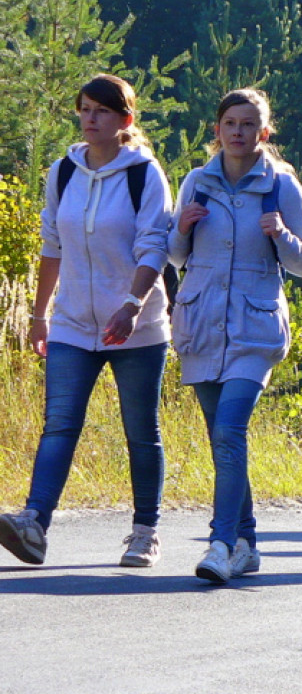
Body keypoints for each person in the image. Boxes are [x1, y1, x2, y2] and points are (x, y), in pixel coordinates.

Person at [0, 74, 172, 568]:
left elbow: (154, 246)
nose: (90, 119)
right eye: (85, 109)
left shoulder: (144, 174)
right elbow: (52, 245)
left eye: (102, 111)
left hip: (136, 326)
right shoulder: (63, 172)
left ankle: (145, 532)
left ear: (125, 120)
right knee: (59, 425)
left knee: (140, 431)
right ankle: (34, 524)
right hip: (74, 324)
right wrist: (40, 315)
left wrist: (132, 304)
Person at [169, 88, 302, 584]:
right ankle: (247, 544)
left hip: (254, 331)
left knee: (230, 432)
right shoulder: (196, 182)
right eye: (230, 123)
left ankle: (220, 543)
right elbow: (175, 255)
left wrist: (281, 234)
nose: (238, 131)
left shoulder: (281, 186)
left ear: (264, 132)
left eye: (249, 124)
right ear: (217, 130)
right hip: (202, 326)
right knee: (222, 440)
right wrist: (181, 229)